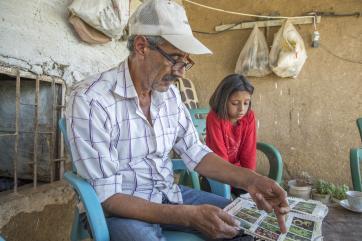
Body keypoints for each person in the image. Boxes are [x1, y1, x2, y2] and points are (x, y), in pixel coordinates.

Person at [66, 1, 289, 241]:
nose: (181, 72)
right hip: (117, 210)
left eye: (185, 61)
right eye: (174, 58)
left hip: (169, 194)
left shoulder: (169, 94)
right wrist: (187, 216)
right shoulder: (91, 99)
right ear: (141, 46)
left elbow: (196, 152)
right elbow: (107, 198)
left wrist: (251, 180)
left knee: (246, 228)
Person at [206, 74, 256, 197]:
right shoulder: (214, 118)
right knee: (223, 202)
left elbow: (248, 153)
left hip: (239, 173)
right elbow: (219, 159)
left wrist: (249, 180)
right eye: (235, 103)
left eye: (246, 103)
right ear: (223, 100)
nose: (241, 109)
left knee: (255, 196)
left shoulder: (249, 117)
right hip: (216, 173)